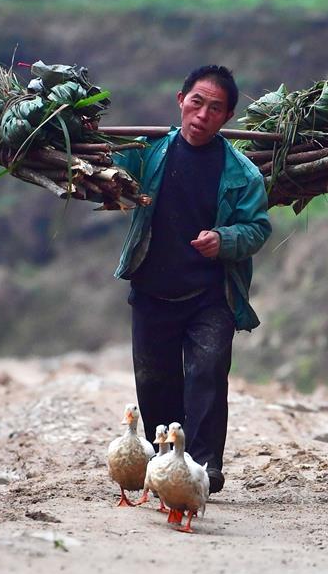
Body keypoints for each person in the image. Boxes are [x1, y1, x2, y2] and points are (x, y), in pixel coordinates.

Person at [114, 65, 271, 494]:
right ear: (180, 100)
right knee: (154, 380)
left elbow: (258, 228)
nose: (202, 115)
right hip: (152, 289)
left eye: (215, 108)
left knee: (208, 374)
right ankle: (166, 464)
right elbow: (105, 168)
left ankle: (204, 466)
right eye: (197, 102)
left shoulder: (242, 174)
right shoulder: (148, 153)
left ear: (228, 117)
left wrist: (224, 239)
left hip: (211, 294)